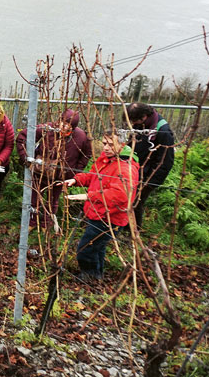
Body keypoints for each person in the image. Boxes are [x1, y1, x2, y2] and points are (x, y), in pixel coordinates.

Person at [64, 131, 139, 282]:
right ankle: (97, 275)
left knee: (85, 249)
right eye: (104, 143)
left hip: (110, 218)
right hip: (98, 213)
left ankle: (89, 277)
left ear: (122, 145)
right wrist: (76, 180)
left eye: (111, 144)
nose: (106, 148)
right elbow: (93, 176)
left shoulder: (125, 168)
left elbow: (120, 196)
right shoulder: (106, 160)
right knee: (97, 247)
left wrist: (89, 196)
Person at [15, 109, 92, 230]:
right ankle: (32, 222)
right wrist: (27, 159)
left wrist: (74, 172)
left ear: (73, 127)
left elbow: (87, 154)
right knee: (34, 198)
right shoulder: (48, 129)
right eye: (62, 121)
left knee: (52, 201)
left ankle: (46, 224)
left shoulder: (81, 137)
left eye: (68, 124)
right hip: (40, 172)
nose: (64, 126)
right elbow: (23, 137)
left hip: (61, 176)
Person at [126, 102, 175, 228]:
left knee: (136, 201)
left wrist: (149, 182)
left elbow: (166, 161)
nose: (132, 123)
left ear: (143, 117)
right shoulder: (142, 126)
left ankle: (134, 231)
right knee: (129, 198)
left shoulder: (163, 131)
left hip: (149, 175)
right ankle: (126, 226)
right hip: (135, 170)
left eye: (134, 120)